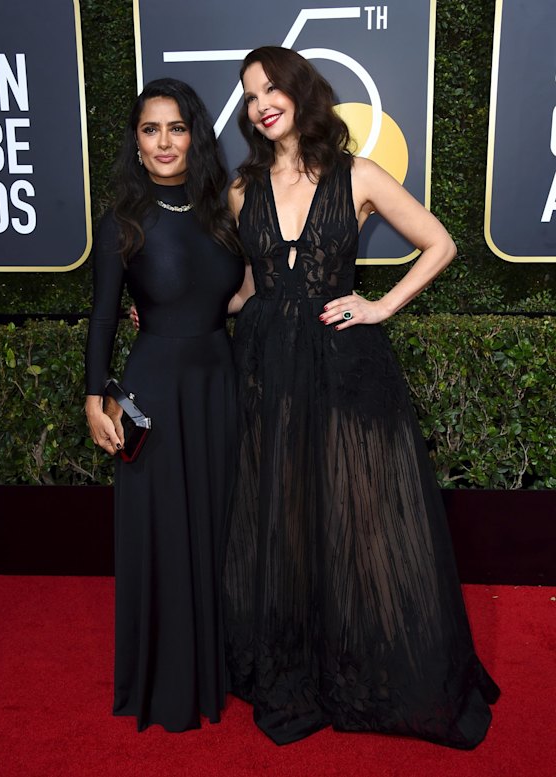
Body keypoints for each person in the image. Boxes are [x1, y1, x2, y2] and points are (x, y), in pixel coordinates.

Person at [222, 46, 500, 748]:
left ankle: (361, 664)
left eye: (273, 87)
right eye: (251, 94)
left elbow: (439, 243)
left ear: (300, 92)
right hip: (265, 372)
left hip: (342, 369)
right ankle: (294, 668)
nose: (262, 102)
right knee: (280, 520)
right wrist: (174, 312)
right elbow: (252, 288)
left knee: (355, 518)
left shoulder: (358, 174)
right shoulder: (239, 186)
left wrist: (380, 305)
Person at [84, 78, 244, 733]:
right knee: (164, 533)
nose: (164, 141)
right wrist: (96, 397)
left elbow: (236, 293)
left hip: (218, 384)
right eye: (150, 130)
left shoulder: (219, 210)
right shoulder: (122, 217)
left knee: (217, 526)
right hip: (153, 388)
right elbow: (100, 319)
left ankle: (223, 665)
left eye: (175, 128)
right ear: (137, 142)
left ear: (194, 135)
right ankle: (170, 679)